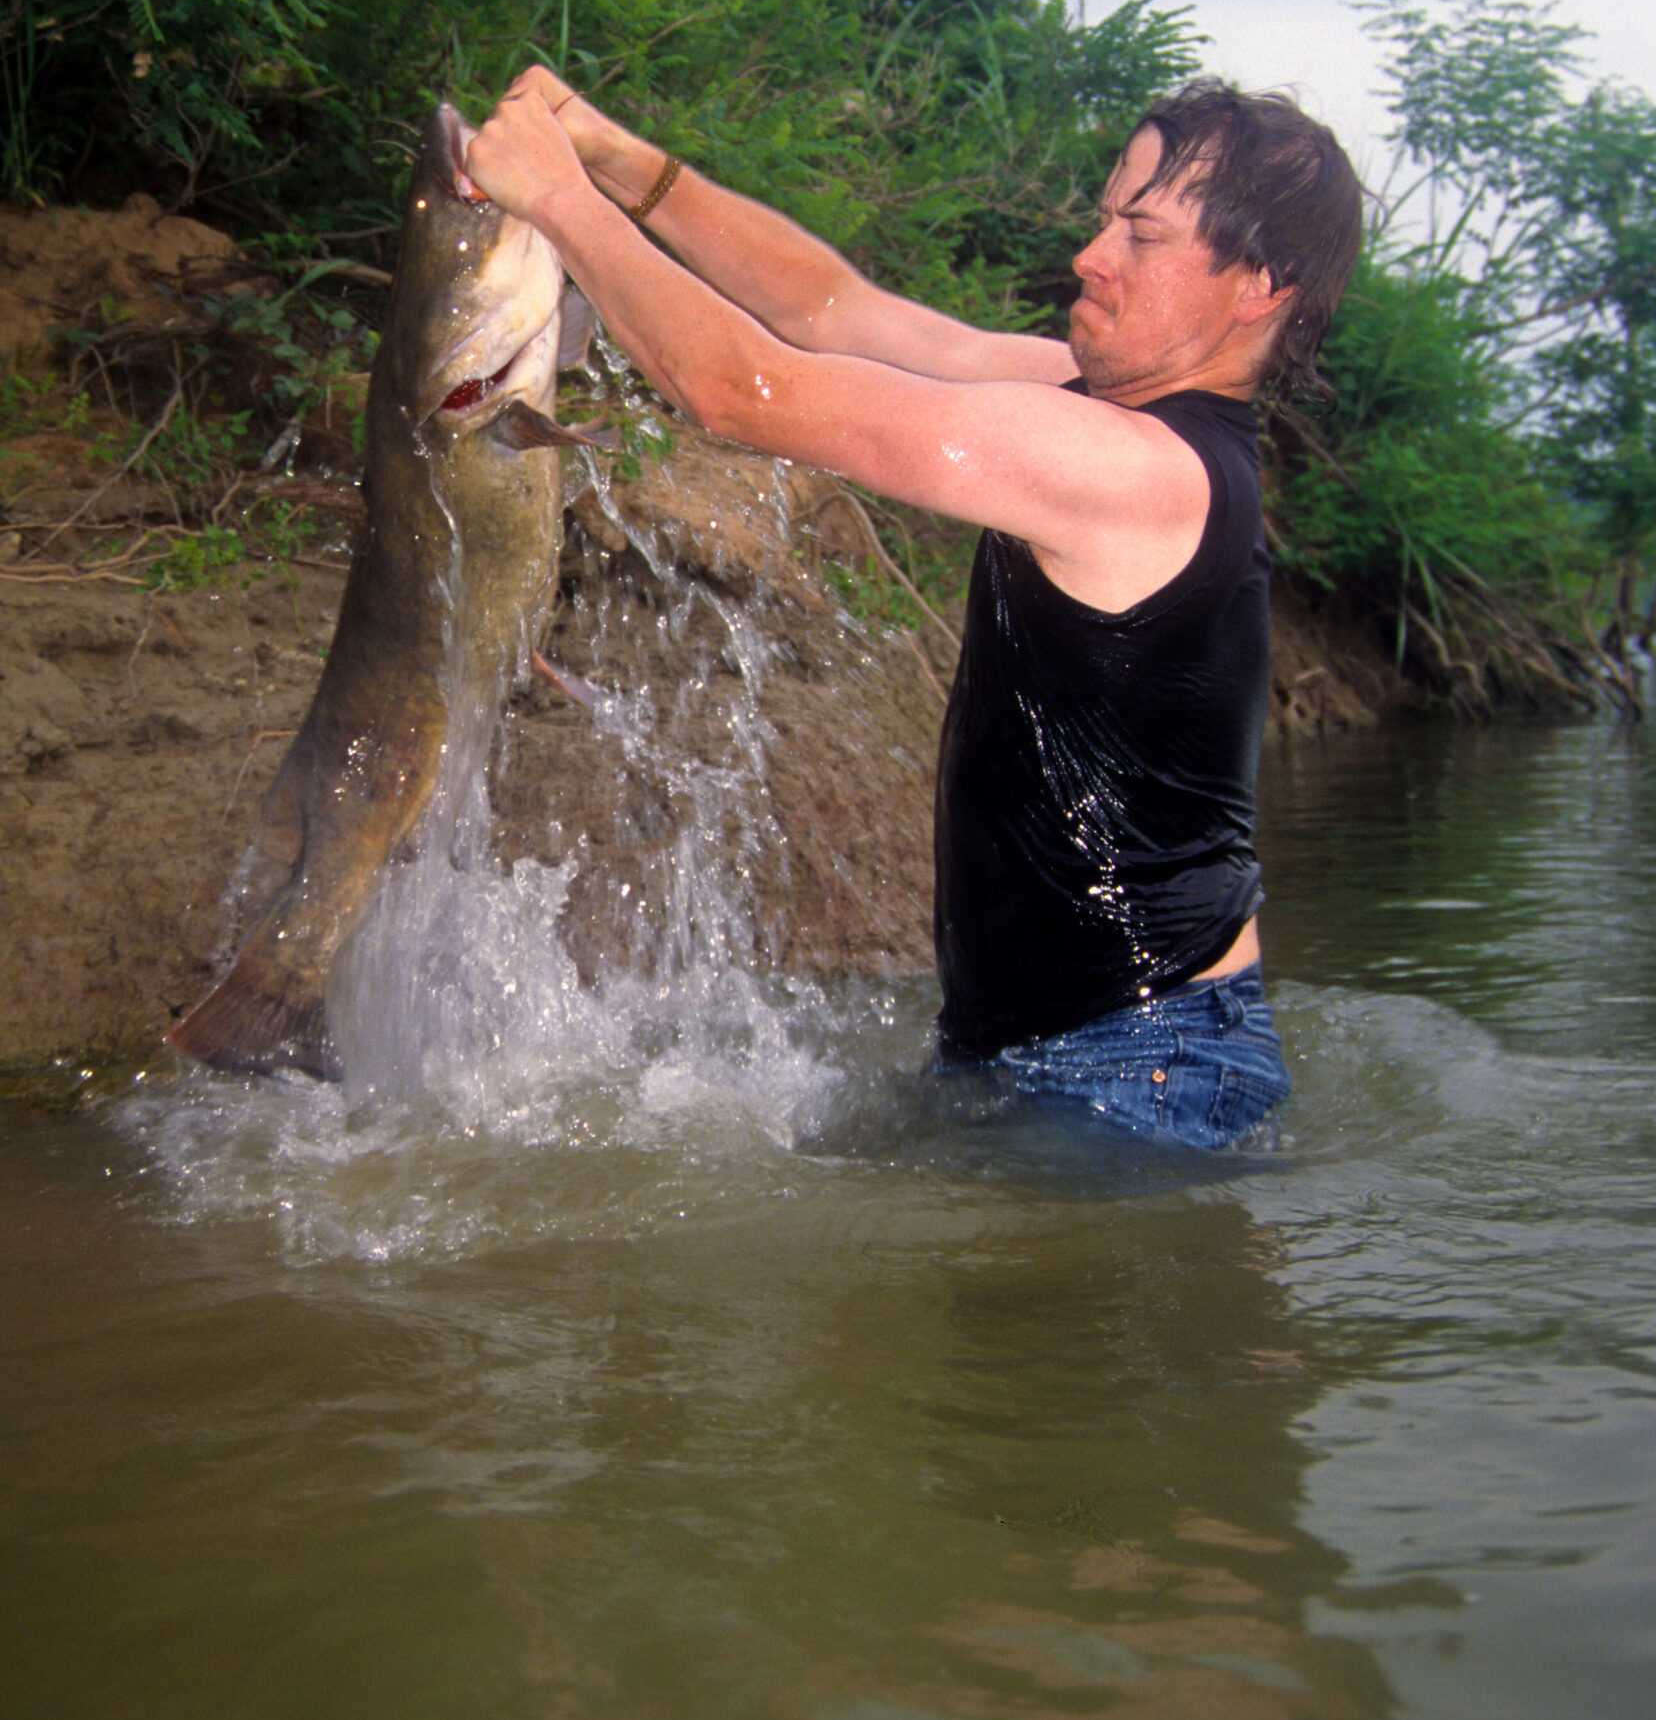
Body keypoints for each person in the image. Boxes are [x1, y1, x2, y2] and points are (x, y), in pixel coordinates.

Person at [465, 69, 1363, 1150]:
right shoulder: (1087, 410)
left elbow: (739, 390)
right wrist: (618, 161)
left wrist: (561, 202)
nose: (1089, 254)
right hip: (1057, 1048)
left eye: (1140, 233)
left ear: (1257, 283)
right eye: (1100, 219)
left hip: (1139, 1068)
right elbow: (833, 313)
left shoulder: (1133, 469)